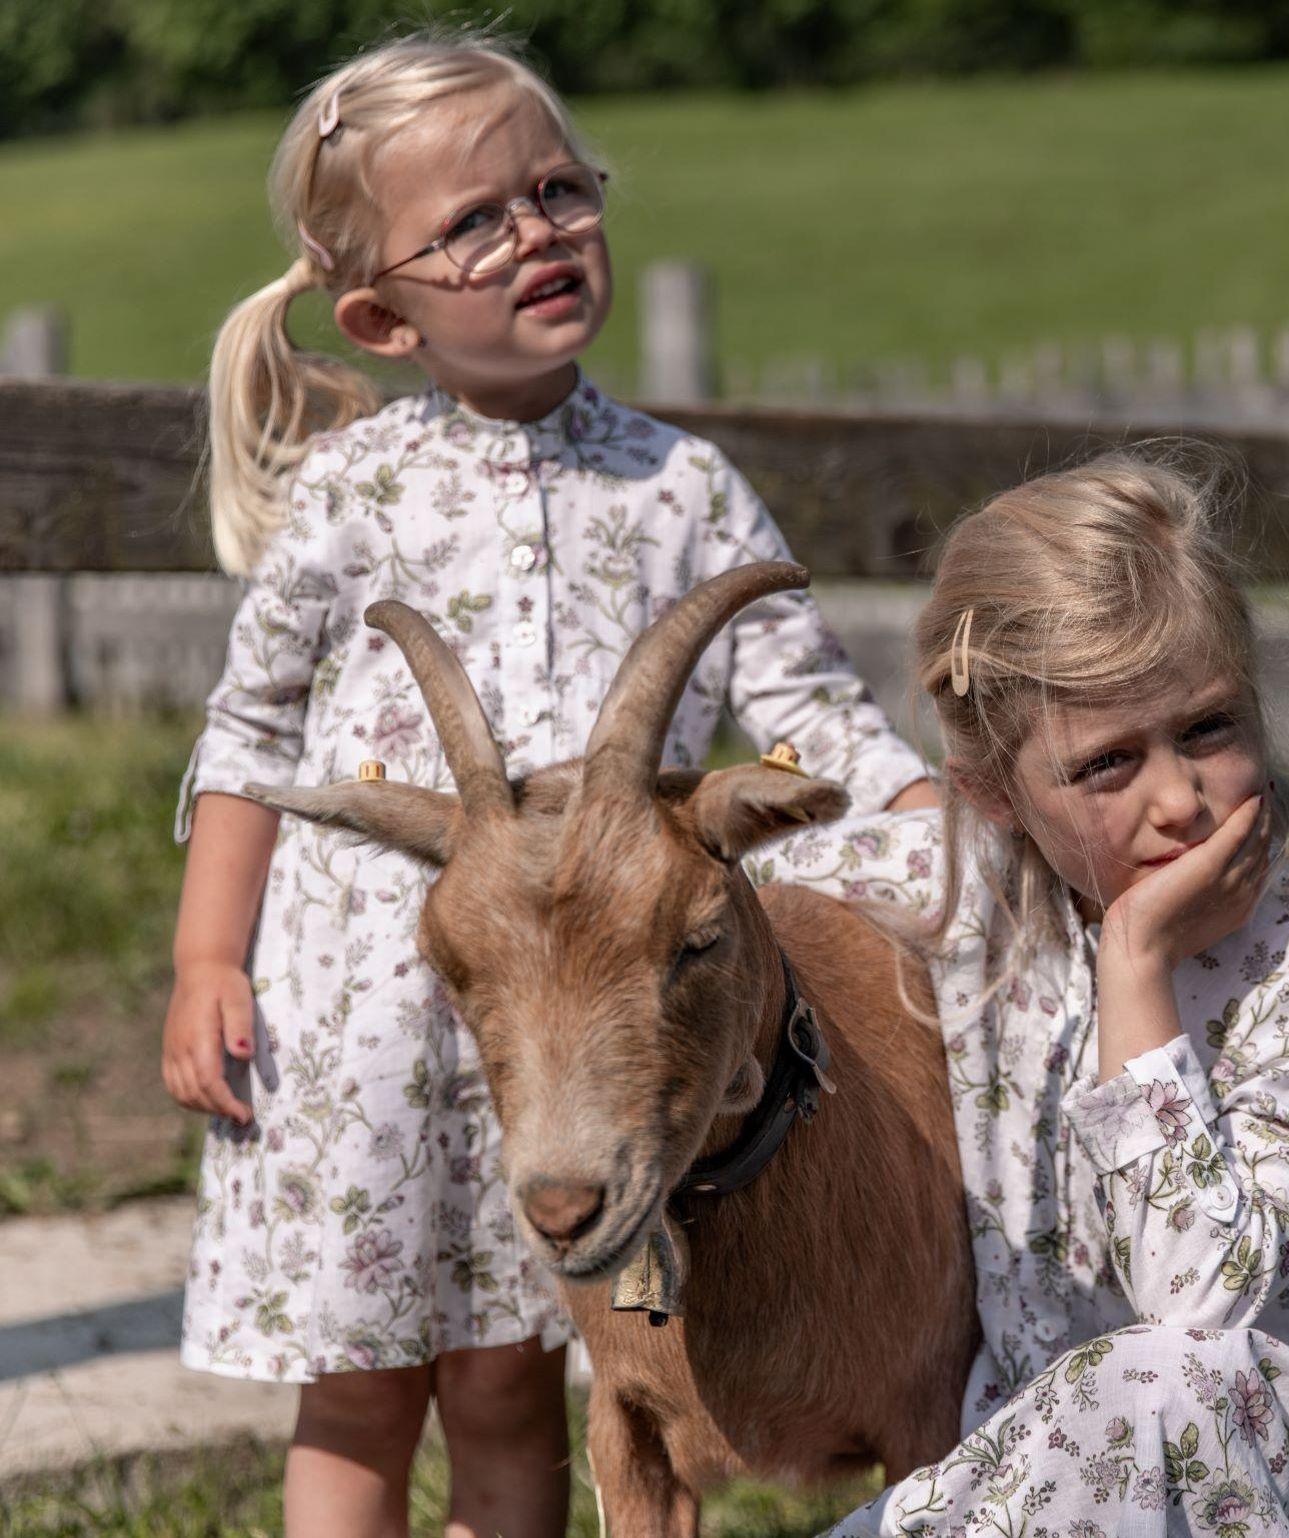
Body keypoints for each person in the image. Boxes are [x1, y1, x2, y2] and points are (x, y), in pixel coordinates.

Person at [158, 31, 932, 1537]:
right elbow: (250, 733)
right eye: (475, 221)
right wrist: (206, 956)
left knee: (522, 1385)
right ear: (381, 315)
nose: (537, 233)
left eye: (559, 190)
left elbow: (806, 711)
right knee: (360, 1390)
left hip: (608, 1038)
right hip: (369, 1031)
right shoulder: (352, 494)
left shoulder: (683, 488)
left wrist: (919, 821)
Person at [757, 450, 1289, 1535]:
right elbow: (717, 901)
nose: (1177, 799)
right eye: (1107, 764)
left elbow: (1196, 1311)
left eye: (1208, 727)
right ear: (992, 795)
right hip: (1067, 1475)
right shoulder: (970, 884)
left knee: (1167, 1374)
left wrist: (1134, 964)